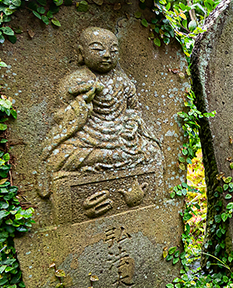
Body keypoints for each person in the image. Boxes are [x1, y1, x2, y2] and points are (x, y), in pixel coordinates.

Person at [38, 26, 162, 199]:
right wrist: (82, 104)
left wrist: (132, 126)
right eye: (98, 49)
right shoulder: (75, 80)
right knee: (59, 158)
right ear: (81, 53)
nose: (106, 55)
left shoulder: (122, 80)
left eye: (113, 50)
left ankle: (113, 162)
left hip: (121, 138)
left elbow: (134, 109)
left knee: (153, 151)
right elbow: (58, 116)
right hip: (87, 139)